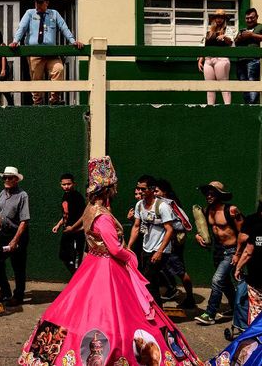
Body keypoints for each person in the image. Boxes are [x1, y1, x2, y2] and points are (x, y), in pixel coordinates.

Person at [18, 156, 202, 366]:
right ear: (107, 189)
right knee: (115, 312)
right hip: (107, 266)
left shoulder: (90, 210)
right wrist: (130, 256)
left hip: (92, 264)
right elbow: (114, 248)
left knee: (81, 308)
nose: (116, 190)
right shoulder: (103, 216)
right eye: (114, 186)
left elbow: (84, 228)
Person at [10, 0, 83, 106]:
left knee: (58, 69)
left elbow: (64, 27)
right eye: (36, 3)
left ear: (46, 3)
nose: (37, 5)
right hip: (34, 52)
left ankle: (54, 99)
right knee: (36, 77)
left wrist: (73, 41)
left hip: (51, 52)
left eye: (40, 3)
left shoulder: (54, 14)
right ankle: (37, 102)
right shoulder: (30, 13)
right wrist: (15, 41)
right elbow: (22, 27)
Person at [194, 181, 243, 326]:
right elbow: (202, 228)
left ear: (220, 195)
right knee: (225, 282)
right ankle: (235, 308)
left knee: (217, 280)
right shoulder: (206, 210)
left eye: (212, 193)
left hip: (232, 250)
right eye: (207, 193)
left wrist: (238, 253)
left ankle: (210, 313)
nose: (208, 195)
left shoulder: (231, 210)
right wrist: (198, 236)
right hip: (218, 251)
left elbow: (243, 233)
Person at [128, 175, 174, 305]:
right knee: (151, 282)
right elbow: (136, 227)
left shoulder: (162, 206)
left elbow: (169, 229)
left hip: (161, 250)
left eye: (143, 189)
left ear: (152, 189)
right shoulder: (139, 205)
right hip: (146, 248)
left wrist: (159, 251)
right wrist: (129, 246)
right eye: (138, 188)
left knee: (147, 280)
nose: (140, 192)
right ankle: (157, 312)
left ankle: (158, 314)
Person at [0, 166, 30, 307]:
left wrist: (15, 240)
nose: (6, 180)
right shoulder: (2, 193)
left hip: (18, 233)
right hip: (3, 233)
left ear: (16, 180)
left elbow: (24, 221)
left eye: (10, 177)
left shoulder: (22, 195)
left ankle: (18, 296)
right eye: (4, 177)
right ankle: (5, 290)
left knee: (18, 265)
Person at [154, 179, 196, 309]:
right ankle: (170, 290)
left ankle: (190, 298)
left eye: (157, 191)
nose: (154, 193)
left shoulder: (171, 205)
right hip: (160, 245)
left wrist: (167, 224)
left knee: (180, 271)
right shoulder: (157, 204)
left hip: (172, 246)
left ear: (164, 192)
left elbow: (186, 224)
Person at [234, 198, 262, 326]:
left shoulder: (257, 229)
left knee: (256, 310)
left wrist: (238, 267)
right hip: (256, 276)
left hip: (257, 277)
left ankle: (257, 339)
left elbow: (248, 252)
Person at [52, 173, 86, 276]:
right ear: (60, 185)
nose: (66, 186)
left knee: (76, 260)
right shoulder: (65, 196)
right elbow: (66, 214)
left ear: (74, 184)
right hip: (67, 232)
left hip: (77, 233)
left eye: (69, 184)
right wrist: (58, 225)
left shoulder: (77, 197)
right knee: (63, 256)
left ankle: (78, 283)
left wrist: (73, 228)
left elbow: (84, 215)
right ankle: (76, 279)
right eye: (64, 184)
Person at [197, 9, 234, 105]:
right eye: (217, 17)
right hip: (208, 60)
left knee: (224, 85)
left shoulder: (228, 30)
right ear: (214, 19)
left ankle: (228, 108)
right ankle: (210, 108)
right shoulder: (210, 31)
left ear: (224, 19)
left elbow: (232, 43)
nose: (219, 19)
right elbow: (204, 46)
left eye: (221, 17)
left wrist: (224, 37)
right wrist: (201, 59)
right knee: (210, 87)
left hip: (221, 59)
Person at [234, 8, 262, 104]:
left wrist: (251, 35)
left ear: (257, 17)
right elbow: (235, 42)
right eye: (247, 18)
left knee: (252, 82)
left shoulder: (260, 27)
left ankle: (252, 106)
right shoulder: (242, 29)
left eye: (252, 18)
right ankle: (247, 105)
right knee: (243, 84)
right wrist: (239, 37)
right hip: (241, 60)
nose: (249, 20)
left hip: (253, 60)